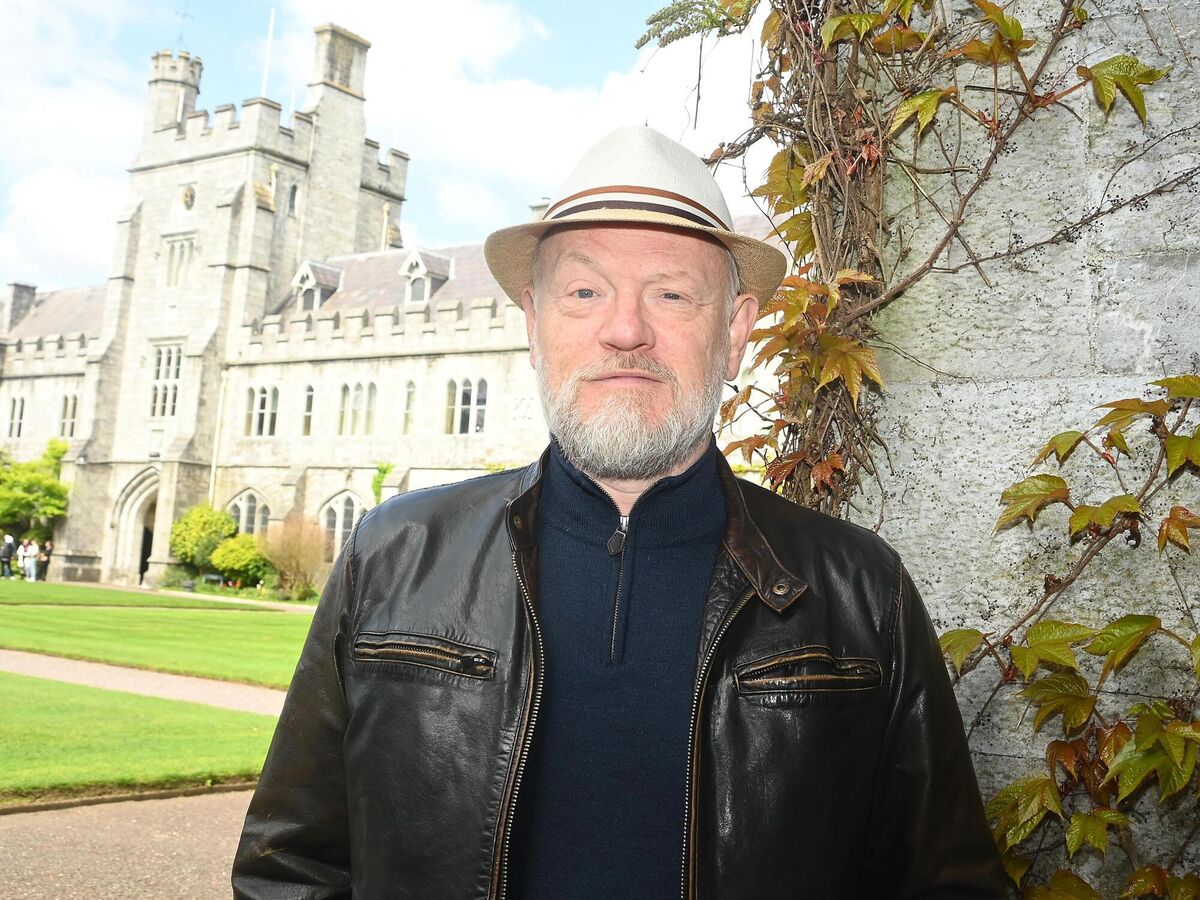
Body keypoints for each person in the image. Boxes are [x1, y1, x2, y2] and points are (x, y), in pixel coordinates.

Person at [233, 127, 1006, 898]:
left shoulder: (860, 589)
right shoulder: (394, 554)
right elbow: (291, 868)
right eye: (584, 291)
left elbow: (946, 884)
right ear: (534, 323)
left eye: (671, 294)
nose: (626, 330)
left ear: (734, 333)